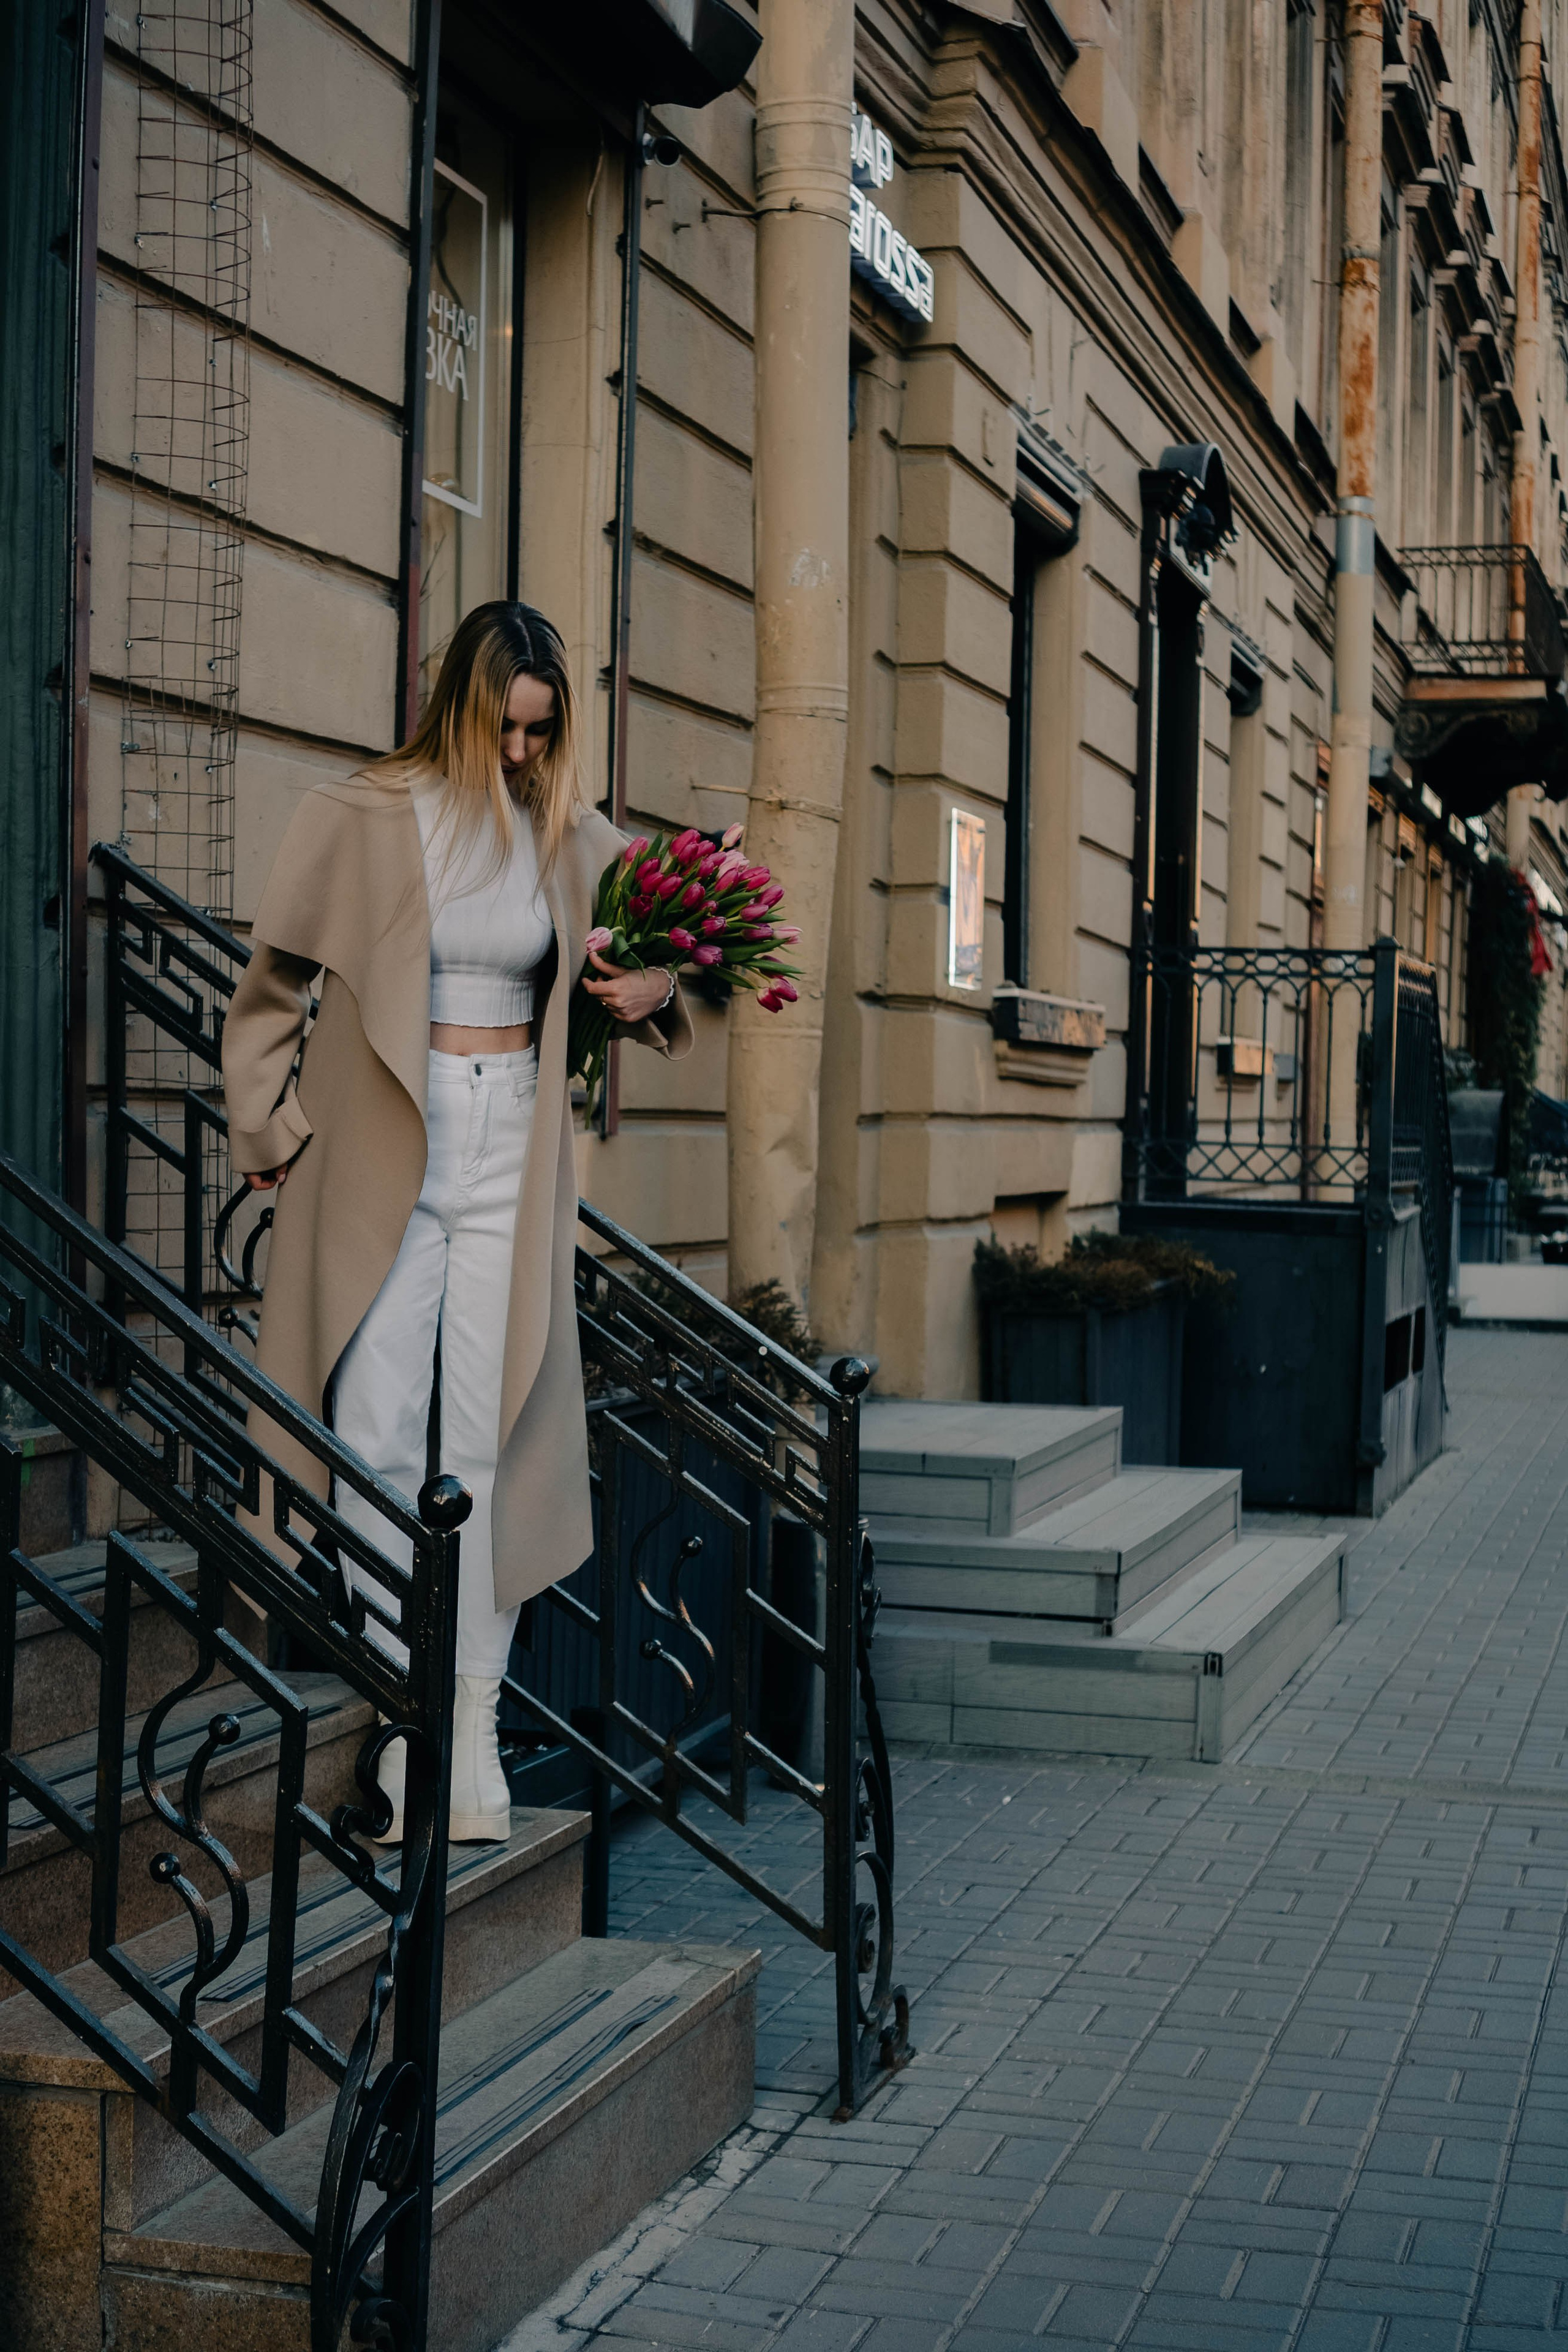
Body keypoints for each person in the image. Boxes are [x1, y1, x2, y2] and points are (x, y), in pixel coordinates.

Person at [222, 600, 691, 1841]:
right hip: (386, 1136)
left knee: (488, 1433)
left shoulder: (564, 831)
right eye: (509, 729)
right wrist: (265, 1131)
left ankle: (468, 1732)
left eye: (544, 732)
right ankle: (412, 1699)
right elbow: (270, 989)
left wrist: (653, 989)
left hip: (509, 1147)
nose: (526, 755)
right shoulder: (366, 816)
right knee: (373, 1426)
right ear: (462, 710)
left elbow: (663, 950)